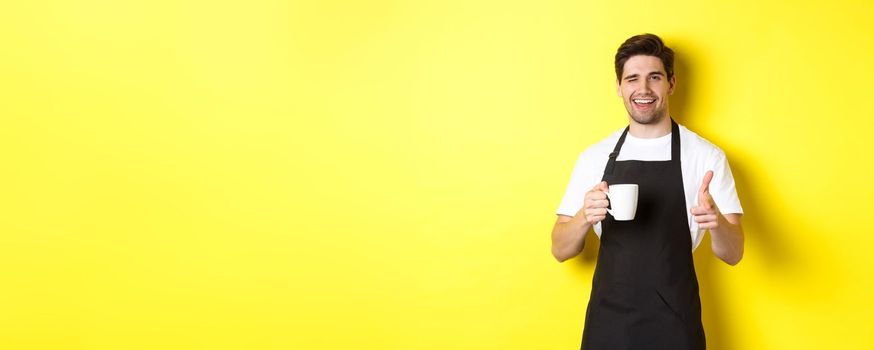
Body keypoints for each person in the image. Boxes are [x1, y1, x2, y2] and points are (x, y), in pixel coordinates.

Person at [550, 33, 745, 350]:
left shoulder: (706, 157)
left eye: (654, 77)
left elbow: (733, 254)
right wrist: (585, 215)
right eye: (632, 79)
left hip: (676, 327)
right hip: (608, 326)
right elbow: (560, 249)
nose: (643, 89)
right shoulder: (595, 157)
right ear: (619, 87)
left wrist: (717, 222)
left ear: (671, 84)